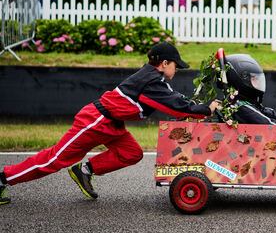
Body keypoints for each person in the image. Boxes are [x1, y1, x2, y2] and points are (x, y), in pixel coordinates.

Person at [0, 42, 220, 205]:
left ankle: (85, 170)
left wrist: (198, 109)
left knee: (132, 153)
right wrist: (205, 110)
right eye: (176, 66)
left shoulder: (154, 78)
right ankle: (3, 178)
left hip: (112, 125)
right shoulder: (152, 81)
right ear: (164, 63)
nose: (177, 70)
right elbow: (176, 106)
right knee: (55, 159)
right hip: (95, 122)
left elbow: (177, 100)